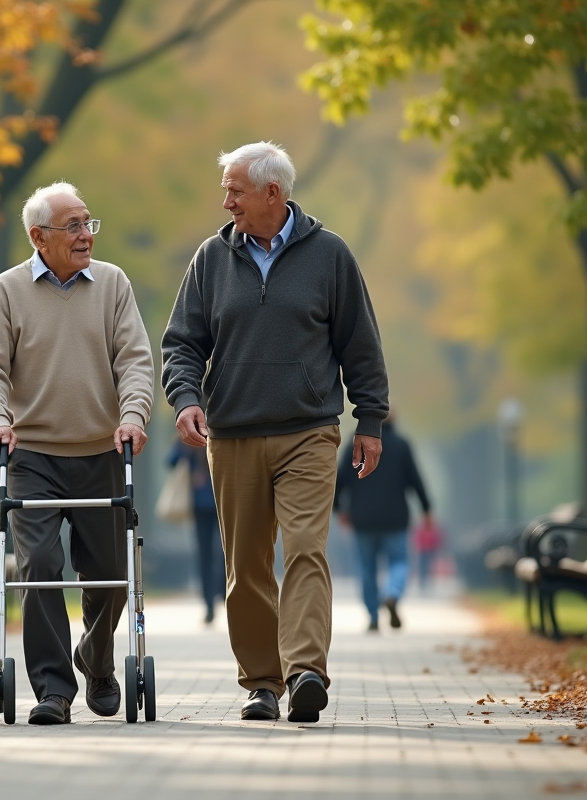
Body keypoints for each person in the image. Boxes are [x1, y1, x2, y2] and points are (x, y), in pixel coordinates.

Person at [161, 141, 389, 723]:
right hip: (232, 433)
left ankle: (306, 670)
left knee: (307, 550)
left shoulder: (329, 255)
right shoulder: (211, 258)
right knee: (247, 566)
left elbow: (360, 344)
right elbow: (182, 343)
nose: (226, 199)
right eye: (225, 188)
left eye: (235, 189)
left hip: (308, 431)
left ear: (272, 192)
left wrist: (369, 421)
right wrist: (185, 399)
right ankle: (262, 682)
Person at [0, 181, 154, 725]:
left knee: (110, 571)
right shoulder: (7, 291)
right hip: (32, 456)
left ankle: (96, 660)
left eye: (88, 223)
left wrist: (133, 414)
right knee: (40, 566)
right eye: (72, 226)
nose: (85, 235)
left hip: (102, 450)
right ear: (38, 237)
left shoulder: (113, 285)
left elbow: (136, 361)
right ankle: (54, 689)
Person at [334, 414, 433, 632]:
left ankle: (372, 616)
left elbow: (339, 479)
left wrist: (338, 508)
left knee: (366, 568)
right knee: (399, 562)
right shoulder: (401, 445)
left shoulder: (355, 443)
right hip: (395, 518)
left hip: (363, 518)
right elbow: (415, 479)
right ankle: (391, 592)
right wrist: (426, 509)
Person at [166, 438, 226, 624]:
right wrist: (186, 447)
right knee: (208, 555)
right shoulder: (191, 437)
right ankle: (211, 602)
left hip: (220, 503)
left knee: (221, 554)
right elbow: (170, 460)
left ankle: (221, 597)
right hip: (203, 506)